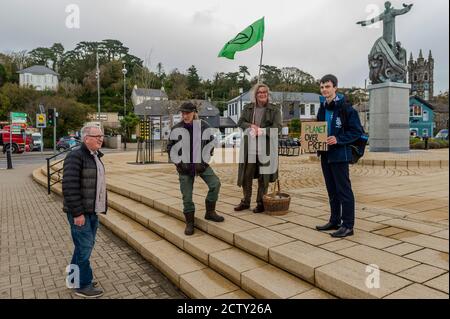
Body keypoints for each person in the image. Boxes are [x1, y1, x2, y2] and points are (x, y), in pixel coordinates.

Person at [315, 75, 364, 238]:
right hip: (325, 155)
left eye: (327, 87)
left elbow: (357, 132)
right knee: (331, 190)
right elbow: (318, 129)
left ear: (335, 87)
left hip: (340, 155)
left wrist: (338, 139)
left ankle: (348, 225)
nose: (324, 90)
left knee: (344, 190)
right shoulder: (322, 107)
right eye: (322, 87)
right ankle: (334, 220)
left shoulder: (346, 108)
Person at [167, 102, 224, 236]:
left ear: (194, 112)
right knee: (187, 197)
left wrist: (206, 159)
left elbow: (211, 143)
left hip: (201, 165)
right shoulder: (176, 128)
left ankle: (210, 212)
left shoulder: (204, 126)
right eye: (183, 113)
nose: (185, 115)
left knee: (215, 184)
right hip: (184, 168)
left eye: (187, 113)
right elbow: (170, 148)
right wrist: (178, 163)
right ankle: (190, 223)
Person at [62, 124, 106, 298]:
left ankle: (73, 279)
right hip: (80, 212)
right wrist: (78, 213)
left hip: (92, 210)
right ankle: (83, 285)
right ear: (86, 138)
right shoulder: (75, 156)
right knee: (85, 247)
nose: (101, 139)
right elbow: (69, 186)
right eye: (97, 136)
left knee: (82, 246)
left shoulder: (94, 155)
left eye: (101, 135)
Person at [234, 83, 282, 213]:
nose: (262, 94)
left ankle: (261, 202)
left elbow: (278, 128)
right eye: (259, 92)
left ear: (268, 94)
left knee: (263, 177)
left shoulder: (275, 109)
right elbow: (240, 122)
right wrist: (250, 126)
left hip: (265, 149)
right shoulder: (249, 108)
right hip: (249, 149)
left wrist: (262, 130)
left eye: (264, 92)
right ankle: (245, 201)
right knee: (246, 176)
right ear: (255, 94)